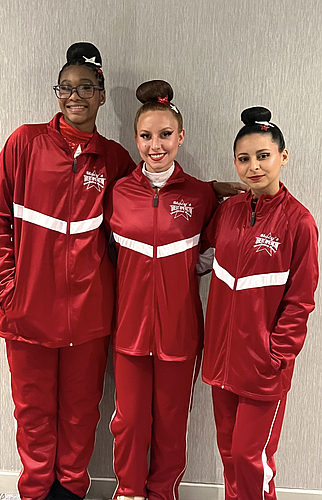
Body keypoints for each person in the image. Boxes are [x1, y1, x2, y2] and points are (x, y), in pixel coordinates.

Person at [0, 42, 136, 500]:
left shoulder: (115, 159)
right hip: (28, 312)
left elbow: (146, 209)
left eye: (87, 87)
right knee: (33, 411)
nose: (75, 95)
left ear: (102, 95)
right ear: (57, 94)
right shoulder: (24, 142)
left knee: (81, 412)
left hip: (89, 316)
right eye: (66, 87)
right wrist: (8, 288)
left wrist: (207, 193)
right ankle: (36, 493)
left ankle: (71, 492)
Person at [105, 80, 220, 500]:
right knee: (130, 422)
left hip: (179, 333)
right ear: (135, 138)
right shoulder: (118, 192)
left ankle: (162, 494)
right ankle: (130, 492)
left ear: (181, 136)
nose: (156, 146)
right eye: (147, 136)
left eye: (166, 135)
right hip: (129, 332)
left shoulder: (200, 195)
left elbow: (210, 252)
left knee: (172, 425)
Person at [202, 107, 319, 500]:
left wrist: (276, 355)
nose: (254, 166)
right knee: (230, 454)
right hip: (221, 359)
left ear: (283, 157)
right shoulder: (229, 211)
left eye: (263, 156)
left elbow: (301, 299)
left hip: (263, 366)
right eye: (244, 158)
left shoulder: (299, 222)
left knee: (254, 458)